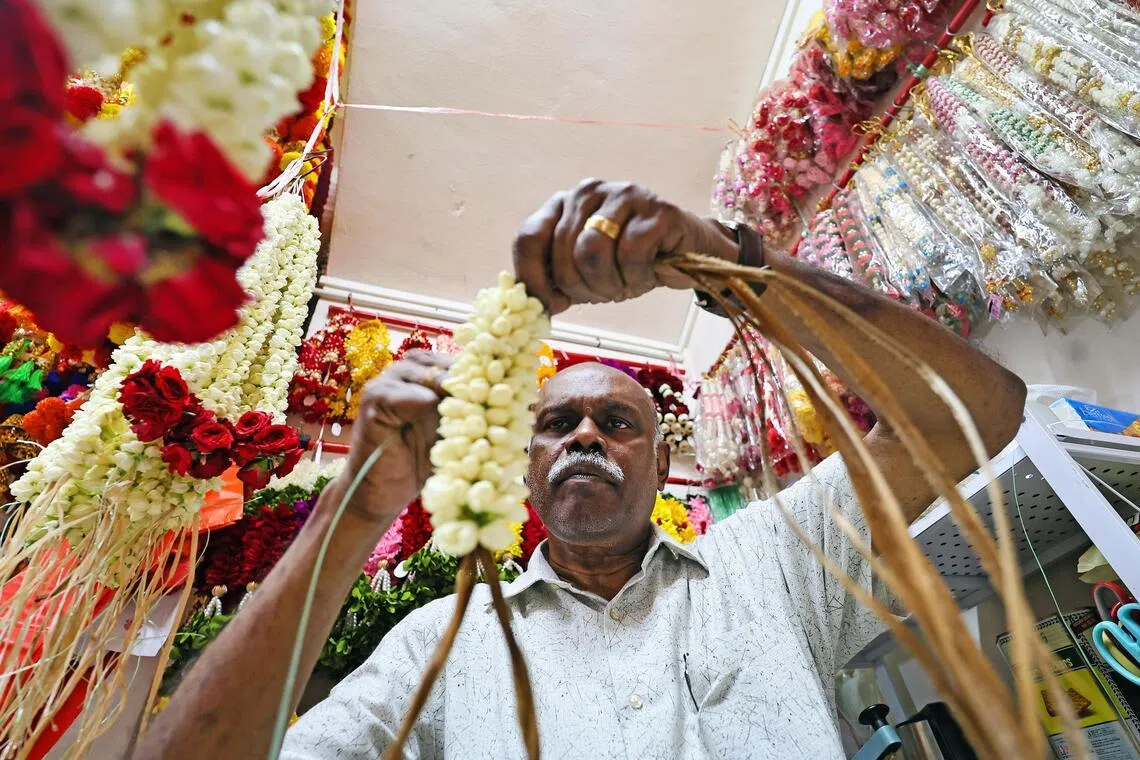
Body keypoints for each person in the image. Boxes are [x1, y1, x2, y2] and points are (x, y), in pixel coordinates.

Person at [135, 180, 1026, 759]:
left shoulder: (775, 558)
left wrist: (733, 259)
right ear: (524, 468)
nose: (586, 436)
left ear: (664, 460)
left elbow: (977, 417)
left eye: (619, 422)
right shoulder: (435, 644)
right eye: (557, 422)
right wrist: (351, 508)